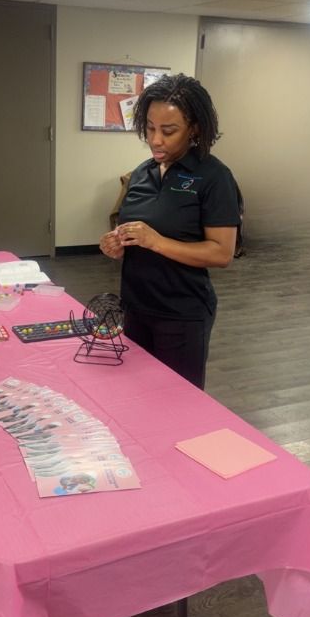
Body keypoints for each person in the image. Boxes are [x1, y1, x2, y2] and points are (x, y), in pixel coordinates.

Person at [99, 73, 241, 389]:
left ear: (194, 129)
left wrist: (157, 241)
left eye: (168, 131)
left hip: (181, 314)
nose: (156, 139)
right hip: (136, 307)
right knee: (138, 395)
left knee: (177, 405)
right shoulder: (142, 172)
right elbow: (134, 232)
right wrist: (117, 246)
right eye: (150, 128)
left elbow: (221, 252)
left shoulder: (214, 177)